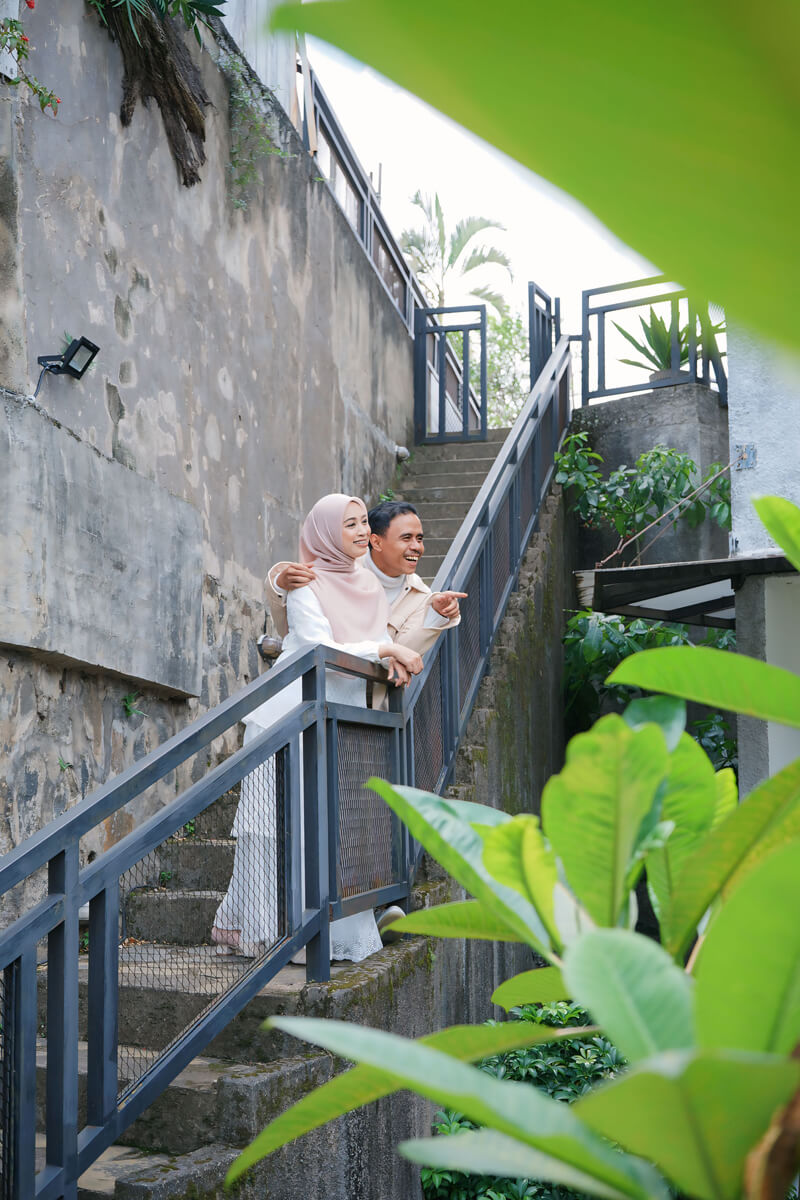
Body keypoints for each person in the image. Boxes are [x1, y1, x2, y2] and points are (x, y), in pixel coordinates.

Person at [211, 494, 423, 962]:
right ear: (326, 532)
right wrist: (387, 651)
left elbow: (380, 629)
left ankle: (317, 930)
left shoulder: (368, 584)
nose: (361, 531)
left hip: (336, 717)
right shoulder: (306, 583)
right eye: (349, 524)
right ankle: (271, 930)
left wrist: (391, 654)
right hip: (289, 717)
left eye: (364, 522)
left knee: (326, 825)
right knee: (275, 826)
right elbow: (317, 646)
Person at [266, 500, 466, 660]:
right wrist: (280, 585)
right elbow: (303, 636)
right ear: (376, 541)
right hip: (319, 682)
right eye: (406, 538)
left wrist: (436, 614)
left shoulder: (420, 596)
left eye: (419, 539)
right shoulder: (334, 568)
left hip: (370, 692)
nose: (417, 547)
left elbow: (401, 652)